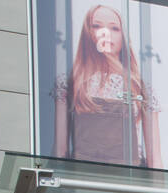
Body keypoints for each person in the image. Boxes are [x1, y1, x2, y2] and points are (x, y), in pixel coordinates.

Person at [52, 4, 162, 167]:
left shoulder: (139, 87)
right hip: (84, 176)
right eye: (96, 26)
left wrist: (157, 192)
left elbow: (155, 160)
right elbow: (60, 152)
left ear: (123, 35)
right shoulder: (70, 83)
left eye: (114, 28)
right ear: (88, 32)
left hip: (129, 178)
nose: (105, 33)